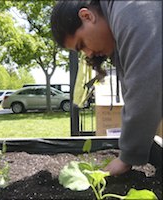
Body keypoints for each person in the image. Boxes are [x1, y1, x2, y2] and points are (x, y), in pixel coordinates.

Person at [51, 0, 162, 176]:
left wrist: (127, 157)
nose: (88, 53)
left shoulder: (132, 10)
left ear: (87, 16)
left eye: (82, 44)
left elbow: (146, 88)